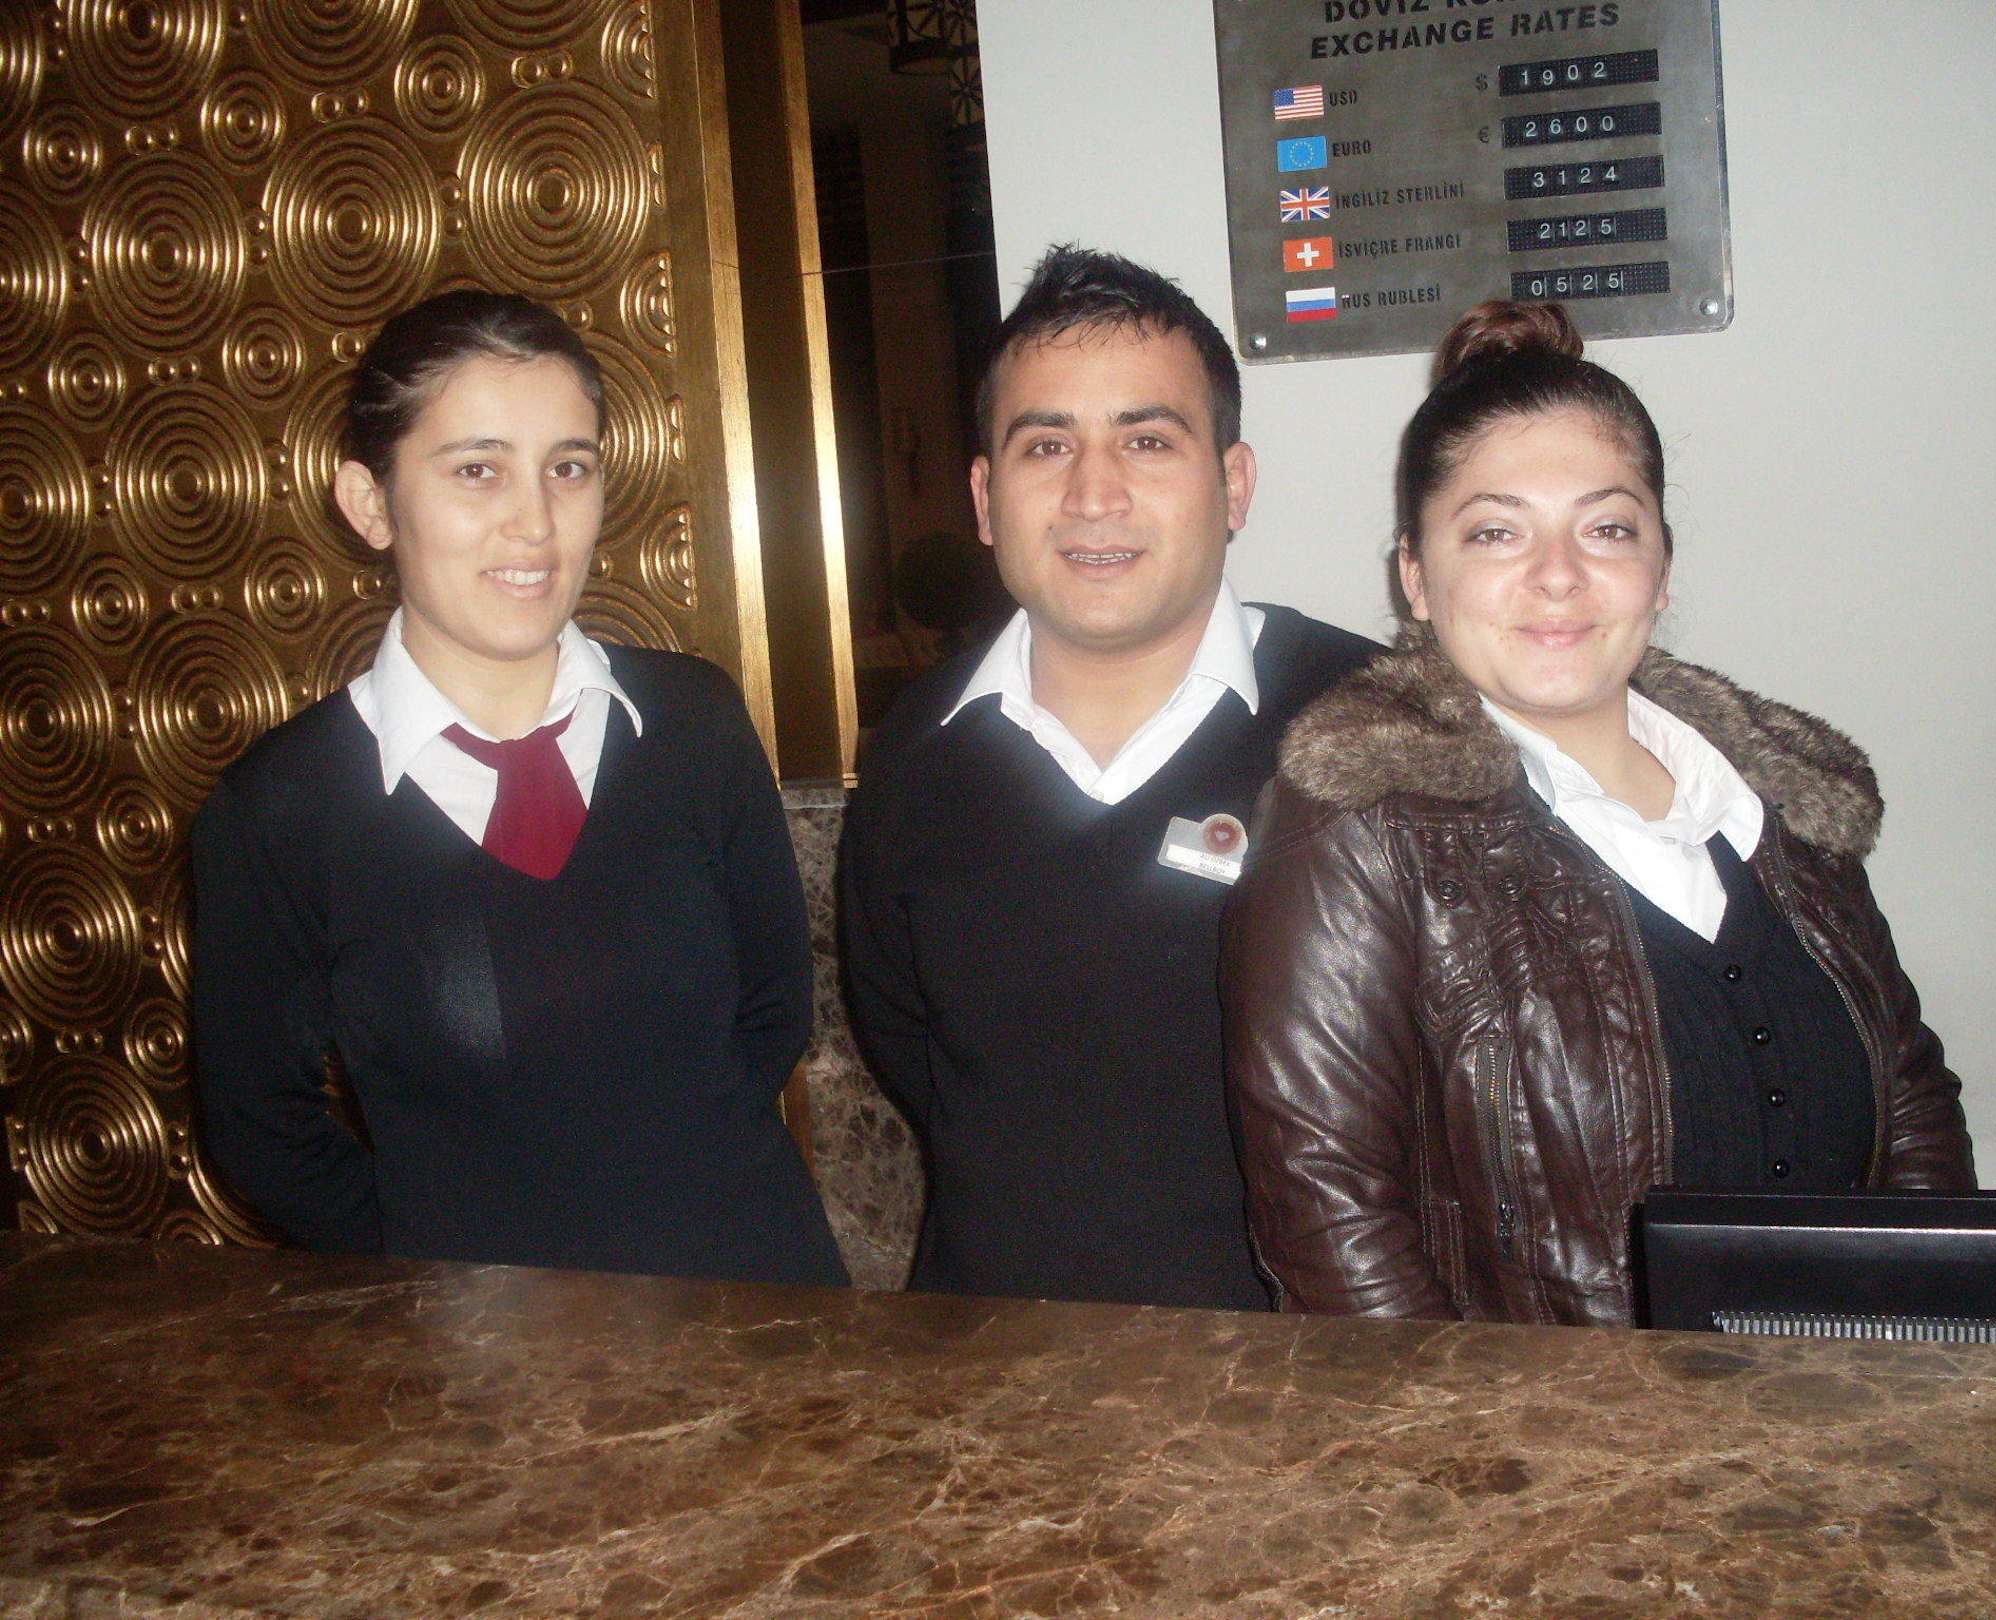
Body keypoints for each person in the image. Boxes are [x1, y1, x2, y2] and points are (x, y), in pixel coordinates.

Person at [1221, 300, 1975, 1325]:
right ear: (1417, 578)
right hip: (1543, 1423)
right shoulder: (1356, 830)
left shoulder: (1787, 804)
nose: (1559, 576)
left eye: (1607, 527)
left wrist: (1921, 1339)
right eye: (1496, 531)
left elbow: (1913, 1101)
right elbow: (1329, 1220)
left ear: (1661, 567)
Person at [192, 290, 846, 1285]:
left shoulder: (693, 721)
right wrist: (444, 1261)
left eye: (567, 468)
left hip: (759, 1297)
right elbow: (259, 1127)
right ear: (370, 503)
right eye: (477, 470)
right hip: (488, 1350)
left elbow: (774, 1009)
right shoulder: (281, 809)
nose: (534, 523)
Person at [839, 246, 1379, 1309]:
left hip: (1305, 1372)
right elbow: (902, 1037)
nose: (1094, 495)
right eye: (1047, 446)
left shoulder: (1367, 724)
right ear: (986, 498)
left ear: (1233, 484)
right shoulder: (914, 749)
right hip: (990, 1359)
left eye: (1147, 440)